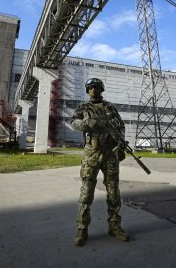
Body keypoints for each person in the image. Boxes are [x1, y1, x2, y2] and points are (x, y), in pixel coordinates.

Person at [70, 78, 129, 247]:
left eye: (96, 87)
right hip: (92, 154)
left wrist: (121, 146)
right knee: (86, 192)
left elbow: (120, 127)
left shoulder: (110, 107)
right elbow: (73, 122)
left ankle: (115, 226)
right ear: (87, 90)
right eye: (90, 87)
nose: (93, 89)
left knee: (113, 192)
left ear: (102, 89)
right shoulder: (83, 107)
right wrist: (86, 123)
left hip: (110, 153)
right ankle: (82, 229)